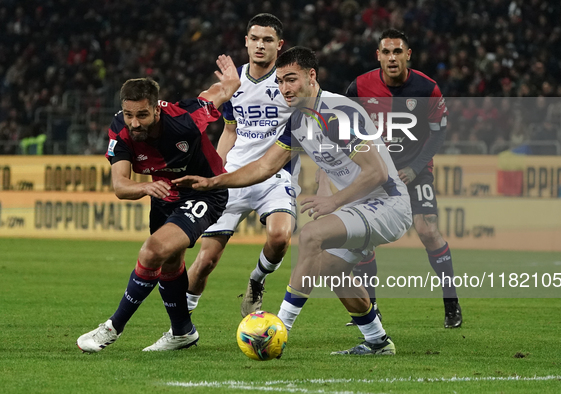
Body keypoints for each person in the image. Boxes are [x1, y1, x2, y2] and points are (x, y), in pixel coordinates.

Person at [174, 47, 413, 355]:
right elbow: (264, 167)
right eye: (280, 82)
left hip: (389, 204)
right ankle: (378, 341)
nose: (285, 88)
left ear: (311, 76)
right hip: (359, 207)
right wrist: (213, 181)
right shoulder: (299, 122)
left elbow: (377, 172)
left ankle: (279, 329)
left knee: (312, 235)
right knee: (330, 269)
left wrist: (333, 201)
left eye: (291, 79)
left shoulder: (337, 112)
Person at [76, 54, 241, 353]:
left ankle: (112, 328)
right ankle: (182, 332)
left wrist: (231, 82)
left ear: (156, 109)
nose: (134, 123)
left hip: (204, 193)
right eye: (128, 114)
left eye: (142, 115)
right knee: (170, 262)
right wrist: (146, 186)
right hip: (163, 194)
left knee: (152, 250)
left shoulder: (184, 119)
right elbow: (120, 186)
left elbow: (215, 95)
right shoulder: (121, 130)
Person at [343, 29, 462, 328]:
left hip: (415, 170)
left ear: (408, 55)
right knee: (363, 239)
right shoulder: (359, 87)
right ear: (378, 56)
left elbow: (439, 133)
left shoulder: (427, 89)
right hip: (375, 173)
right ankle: (372, 308)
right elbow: (339, 120)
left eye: (398, 52)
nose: (392, 58)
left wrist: (416, 167)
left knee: (427, 230)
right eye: (386, 52)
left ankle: (451, 301)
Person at [184, 14, 298, 318]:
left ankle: (256, 281)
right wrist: (215, 171)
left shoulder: (290, 82)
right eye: (255, 39)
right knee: (206, 259)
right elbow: (230, 131)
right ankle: (180, 326)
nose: (260, 45)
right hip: (233, 175)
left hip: (275, 174)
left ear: (279, 45)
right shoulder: (233, 83)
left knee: (279, 237)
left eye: (268, 40)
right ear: (246, 41)